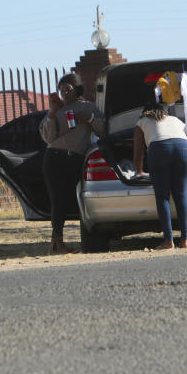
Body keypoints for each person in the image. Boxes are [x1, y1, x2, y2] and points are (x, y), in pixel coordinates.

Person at [40, 73, 105, 254]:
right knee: (57, 200)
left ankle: (85, 238)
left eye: (68, 89)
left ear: (77, 88)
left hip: (76, 159)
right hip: (54, 158)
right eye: (61, 91)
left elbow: (104, 131)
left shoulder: (89, 107)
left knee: (76, 199)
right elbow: (49, 138)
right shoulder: (57, 109)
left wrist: (89, 118)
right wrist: (52, 114)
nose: (64, 94)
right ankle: (57, 242)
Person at [133, 102, 187, 249]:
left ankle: (168, 241)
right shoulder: (176, 120)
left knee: (163, 196)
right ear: (163, 112)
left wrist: (139, 171)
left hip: (160, 149)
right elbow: (183, 138)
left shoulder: (142, 122)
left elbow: (138, 152)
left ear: (145, 112)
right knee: (181, 194)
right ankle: (185, 240)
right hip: (184, 148)